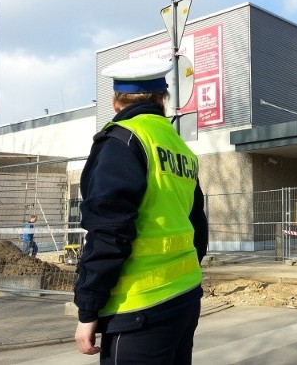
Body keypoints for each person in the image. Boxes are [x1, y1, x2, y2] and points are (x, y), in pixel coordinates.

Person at [73, 58, 209, 364]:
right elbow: (197, 224)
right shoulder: (179, 147)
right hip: (185, 297)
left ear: (115, 102)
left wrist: (88, 307)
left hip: (138, 307)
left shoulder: (123, 140)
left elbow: (109, 230)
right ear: (163, 98)